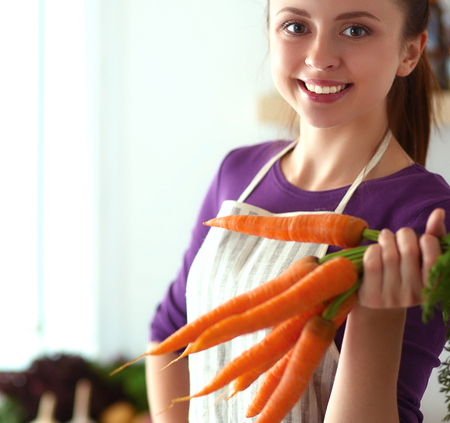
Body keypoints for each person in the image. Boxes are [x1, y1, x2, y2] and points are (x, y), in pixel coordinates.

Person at [146, 0, 450, 421]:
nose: (319, 57)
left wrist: (376, 320)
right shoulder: (236, 172)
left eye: (356, 30)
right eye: (295, 26)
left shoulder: (423, 219)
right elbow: (170, 337)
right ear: (270, 32)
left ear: (410, 52)